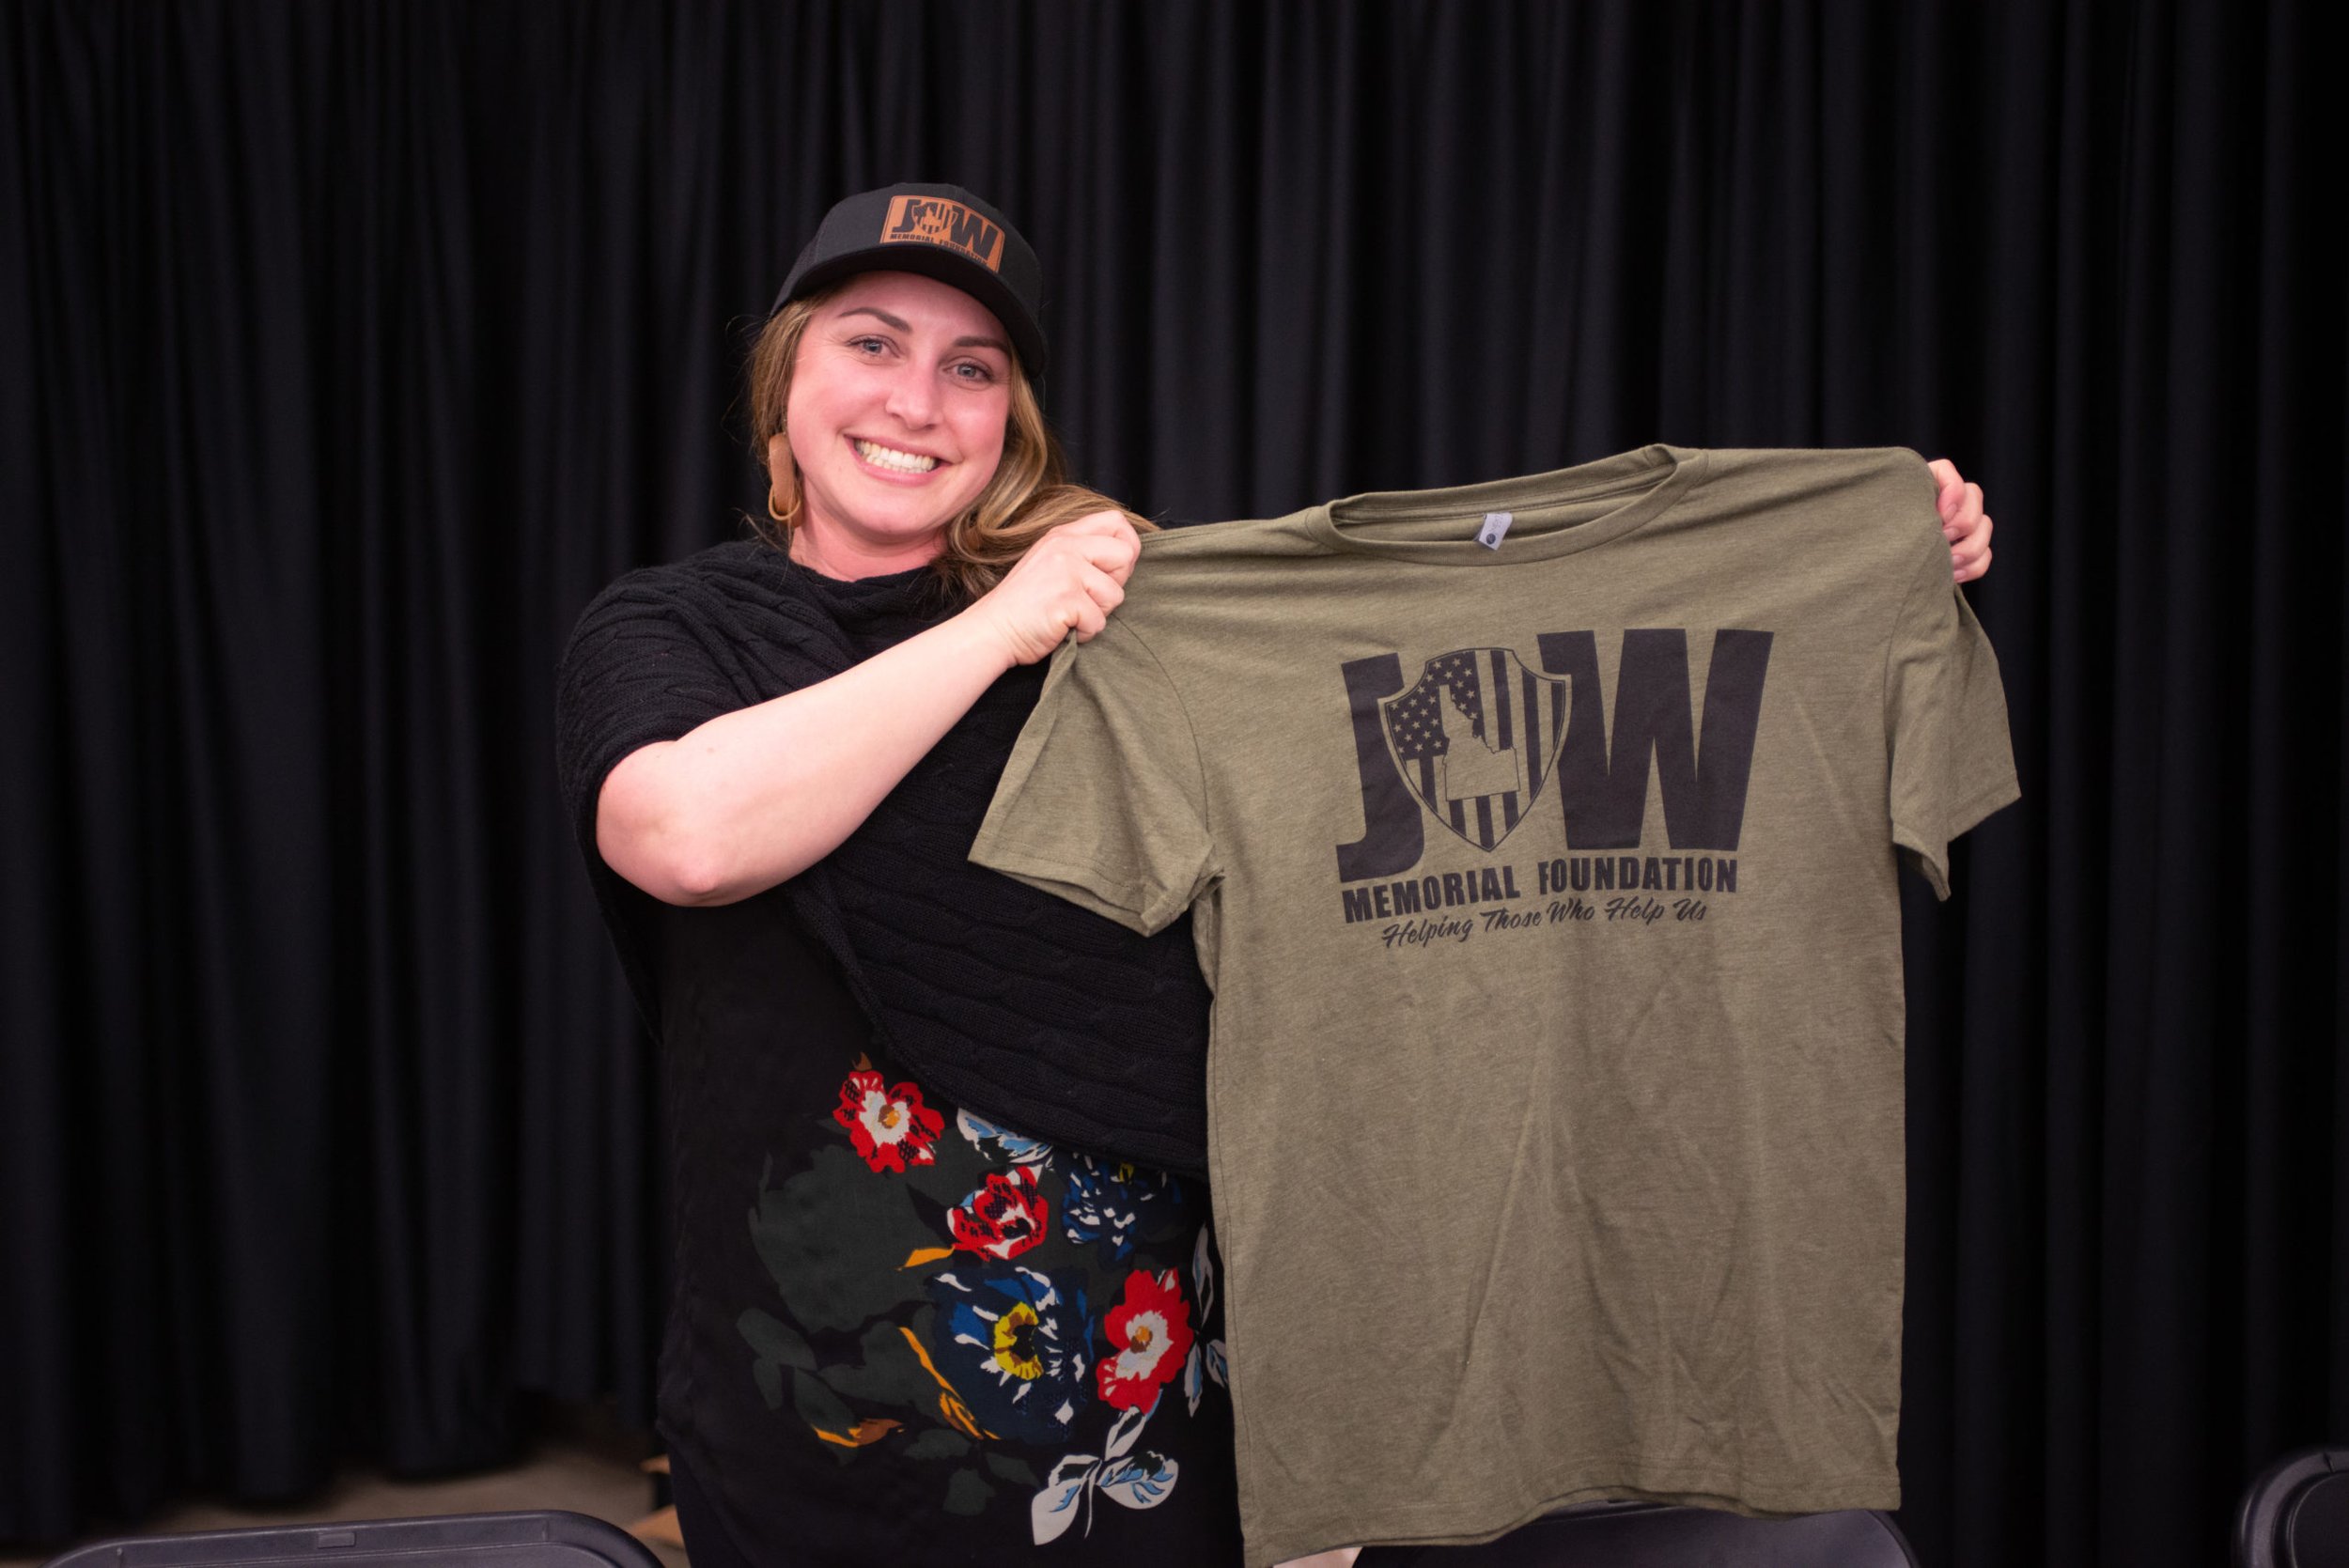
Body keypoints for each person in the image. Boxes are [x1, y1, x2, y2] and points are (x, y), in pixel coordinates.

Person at [555, 183, 1996, 1568]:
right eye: (872, 342)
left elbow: (1452, 711)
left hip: (1161, 1443)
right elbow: (683, 835)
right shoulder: (676, 631)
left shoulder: (1133, 624)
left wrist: (1860, 555)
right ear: (783, 374)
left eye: (973, 368)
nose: (917, 402)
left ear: (1015, 419)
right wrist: (1001, 625)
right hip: (813, 1439)